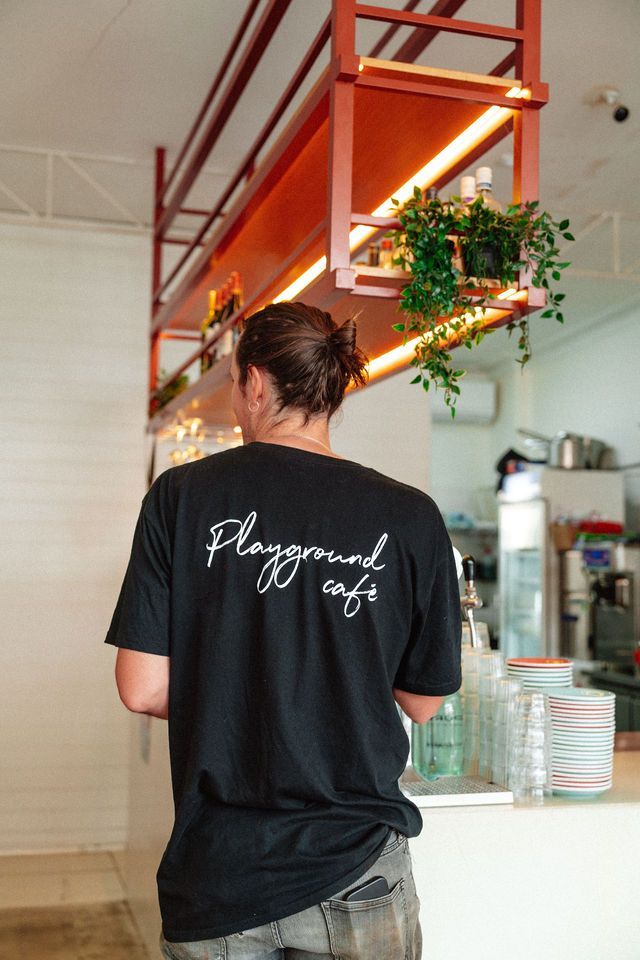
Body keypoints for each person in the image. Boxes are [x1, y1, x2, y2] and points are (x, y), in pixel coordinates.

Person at [105, 301, 462, 960]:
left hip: (219, 870)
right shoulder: (410, 515)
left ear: (255, 383)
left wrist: (234, 689)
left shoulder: (179, 497)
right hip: (358, 865)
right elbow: (424, 699)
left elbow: (142, 687)